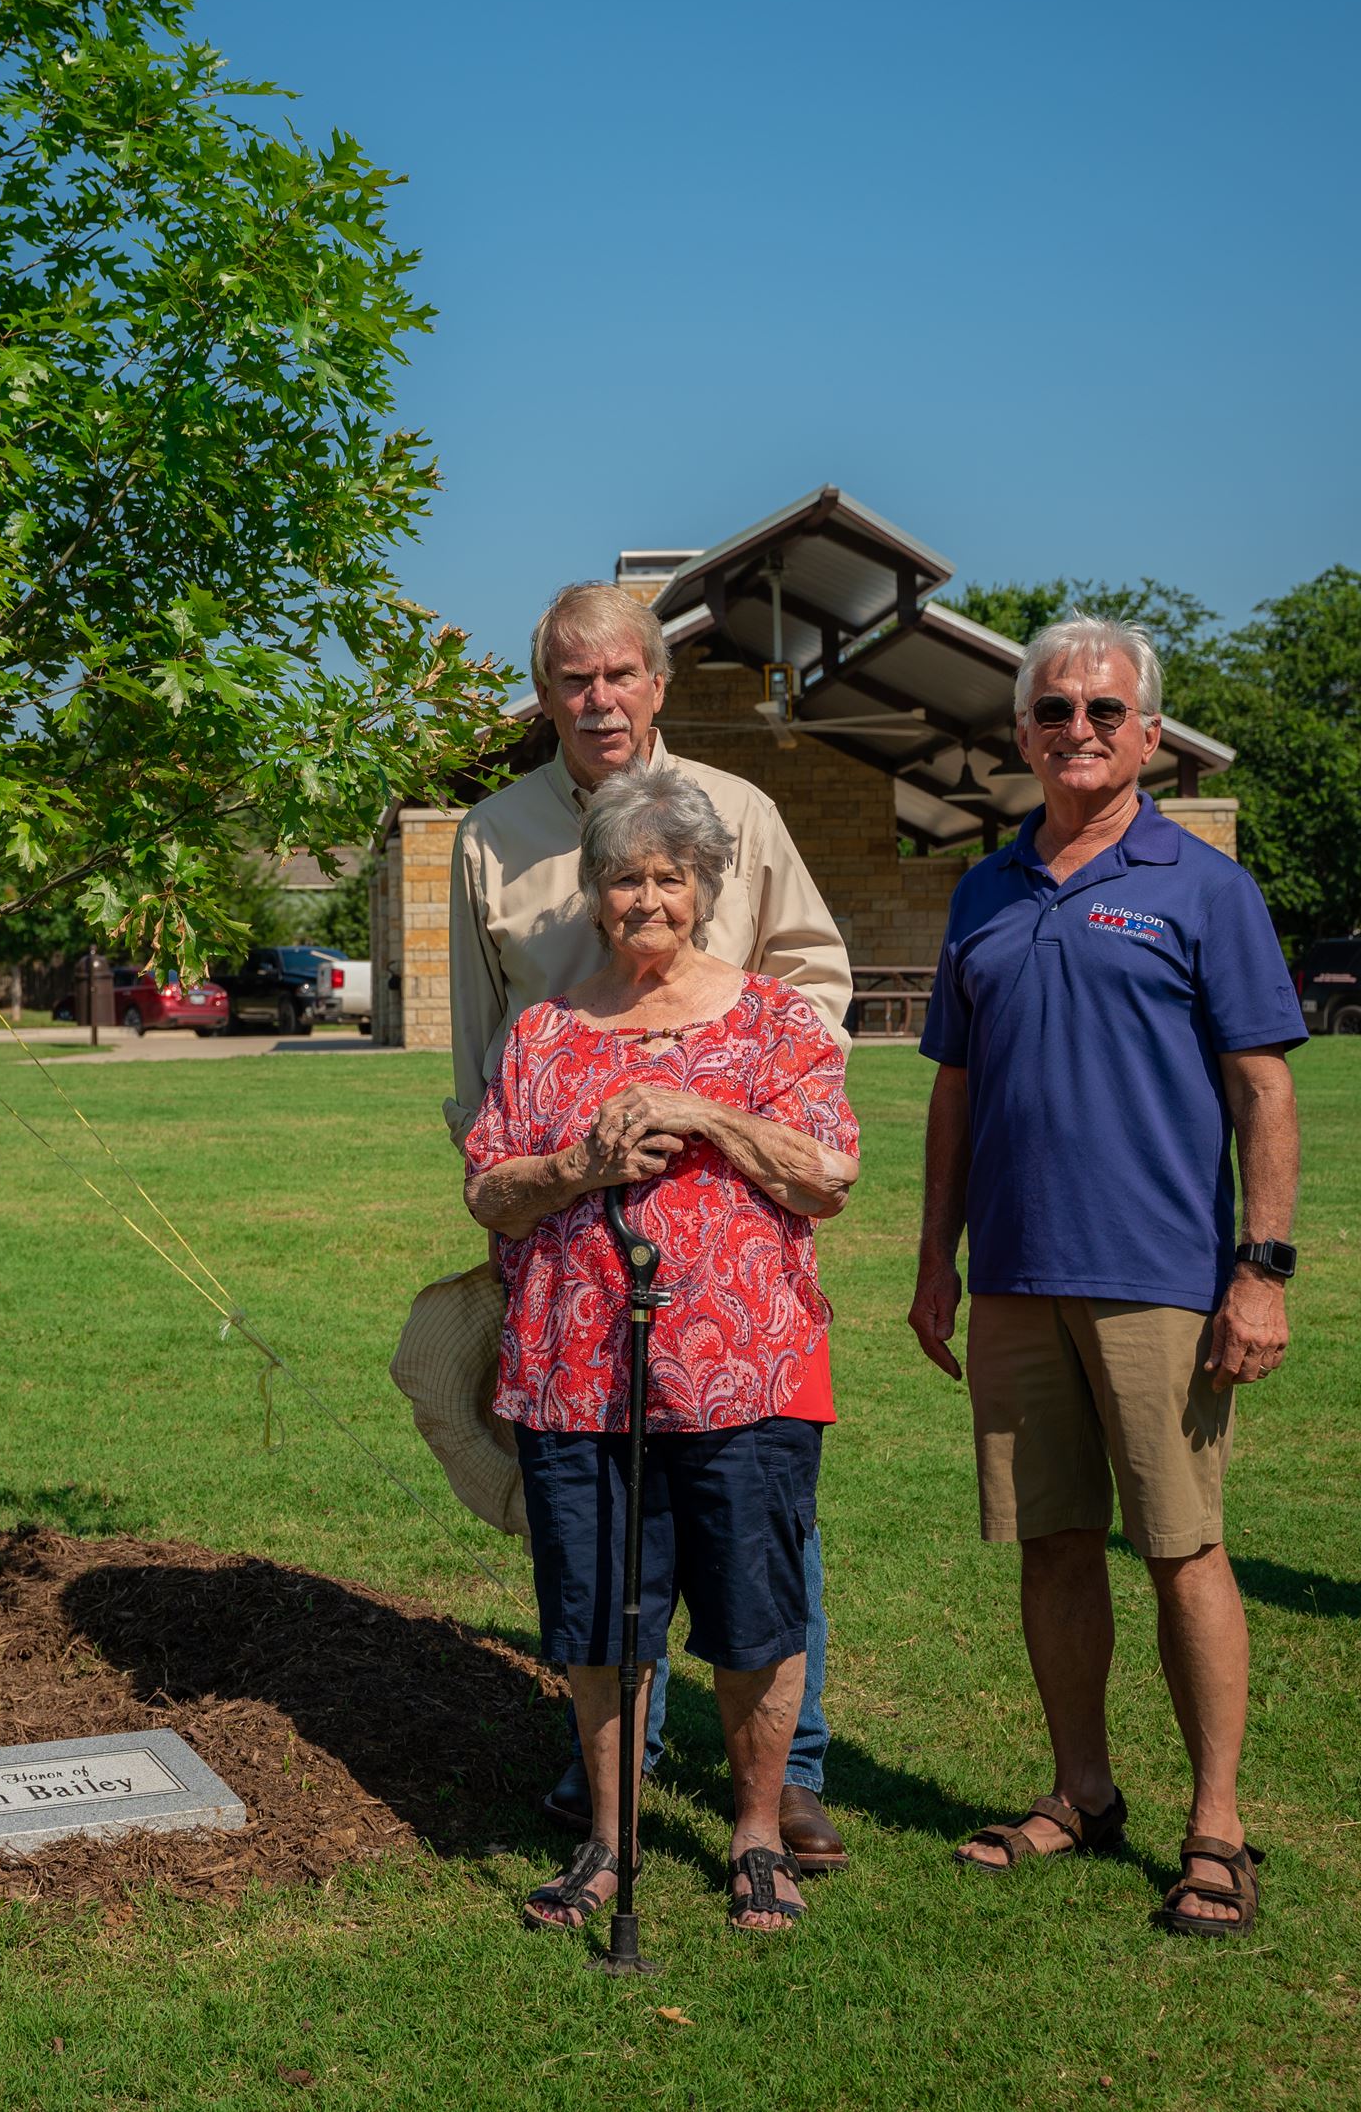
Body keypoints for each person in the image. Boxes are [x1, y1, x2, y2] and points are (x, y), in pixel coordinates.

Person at [440, 576, 856, 1874]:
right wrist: (528, 1194)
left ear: (659, 683)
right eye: (573, 678)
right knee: (597, 1538)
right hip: (565, 1240)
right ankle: (610, 1777)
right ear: (546, 689)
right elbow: (477, 1049)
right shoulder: (491, 835)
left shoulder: (742, 812)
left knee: (755, 1527)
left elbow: (817, 974)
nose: (599, 698)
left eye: (621, 675)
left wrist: (744, 1096)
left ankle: (783, 1780)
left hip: (729, 1246)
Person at [911, 613, 1303, 1938]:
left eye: (1103, 709)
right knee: (1052, 1541)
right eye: (1053, 710)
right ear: (1022, 733)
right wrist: (934, 1266)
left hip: (1160, 1279)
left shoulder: (1202, 888)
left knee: (1182, 1544)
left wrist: (1262, 1270)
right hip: (1017, 1275)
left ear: (1148, 734)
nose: (1077, 728)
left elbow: (1263, 1087)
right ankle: (1082, 1793)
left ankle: (1219, 1824)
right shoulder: (984, 891)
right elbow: (953, 1098)